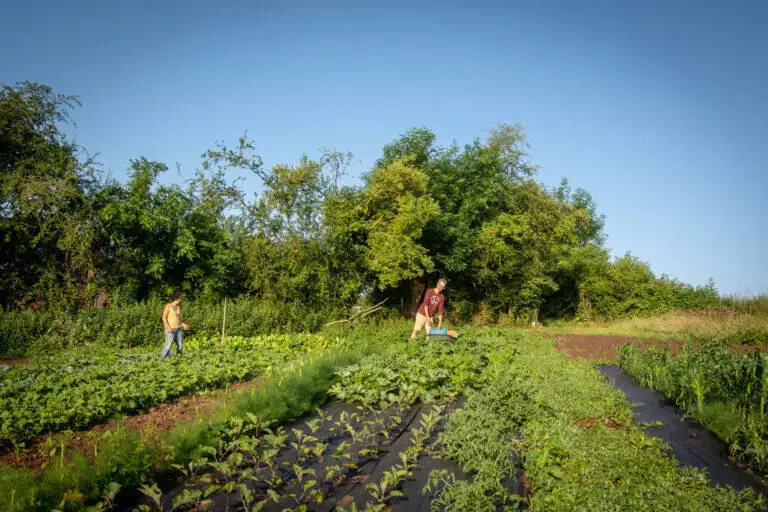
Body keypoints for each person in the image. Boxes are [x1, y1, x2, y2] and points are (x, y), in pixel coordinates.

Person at [161, 291, 189, 358]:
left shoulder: (178, 307)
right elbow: (164, 318)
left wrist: (183, 325)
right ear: (177, 298)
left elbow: (178, 319)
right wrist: (168, 327)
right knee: (168, 347)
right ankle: (162, 359)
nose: (181, 299)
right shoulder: (168, 306)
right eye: (181, 297)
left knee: (180, 346)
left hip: (179, 329)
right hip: (170, 329)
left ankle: (178, 359)